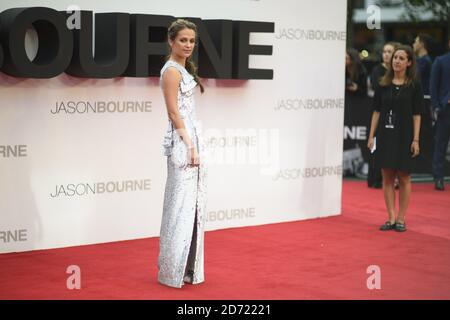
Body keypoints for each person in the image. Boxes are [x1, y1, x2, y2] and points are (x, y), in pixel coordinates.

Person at [157, 19, 207, 288]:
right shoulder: (172, 71)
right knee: (179, 208)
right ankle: (171, 271)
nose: (188, 45)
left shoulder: (184, 68)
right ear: (171, 41)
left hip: (192, 141)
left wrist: (195, 144)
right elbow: (173, 113)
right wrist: (189, 146)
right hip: (182, 143)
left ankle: (187, 269)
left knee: (193, 207)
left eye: (191, 41)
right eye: (182, 40)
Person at [367, 45, 425, 232]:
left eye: (401, 58)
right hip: (384, 135)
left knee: (405, 177)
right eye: (395, 57)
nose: (396, 61)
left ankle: (401, 218)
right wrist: (371, 136)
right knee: (387, 177)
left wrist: (415, 139)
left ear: (409, 62)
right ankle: (391, 217)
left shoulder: (414, 85)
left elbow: (417, 114)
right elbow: (376, 111)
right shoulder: (382, 83)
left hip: (405, 135)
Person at [368, 42, 400, 188]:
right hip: (380, 113)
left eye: (389, 52)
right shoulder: (377, 70)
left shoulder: (400, 74)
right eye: (384, 51)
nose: (386, 54)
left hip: (396, 116)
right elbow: (377, 87)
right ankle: (375, 178)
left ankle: (394, 178)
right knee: (376, 147)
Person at [430, 36, 450, 191]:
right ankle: (438, 177)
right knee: (440, 144)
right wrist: (437, 107)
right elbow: (433, 86)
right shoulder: (440, 61)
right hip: (445, 110)